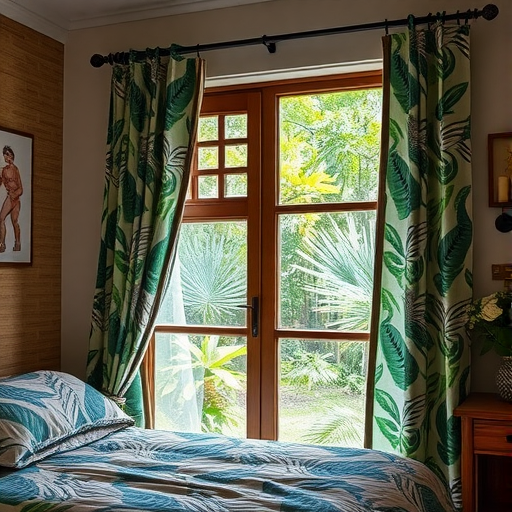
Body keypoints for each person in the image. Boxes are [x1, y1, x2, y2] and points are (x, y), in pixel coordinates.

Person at [0, 145, 23, 252]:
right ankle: (2, 244)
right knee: (1, 219)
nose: (7, 157)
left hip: (16, 199)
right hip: (10, 197)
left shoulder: (16, 170)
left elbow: (21, 189)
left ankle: (17, 244)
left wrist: (15, 194)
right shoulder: (3, 170)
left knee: (15, 221)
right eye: (6, 155)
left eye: (8, 155)